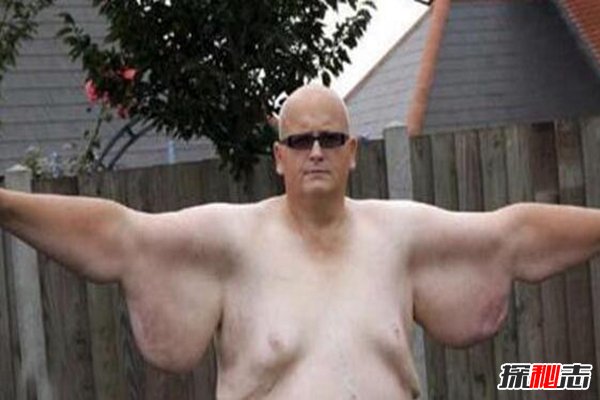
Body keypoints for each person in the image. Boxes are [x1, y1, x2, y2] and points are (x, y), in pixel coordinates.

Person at [1, 84, 599, 399]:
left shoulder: (401, 236)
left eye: (331, 138)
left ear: (353, 152)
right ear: (279, 157)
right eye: (301, 140)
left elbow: (514, 234)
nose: (316, 151)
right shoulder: (230, 242)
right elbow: (118, 235)